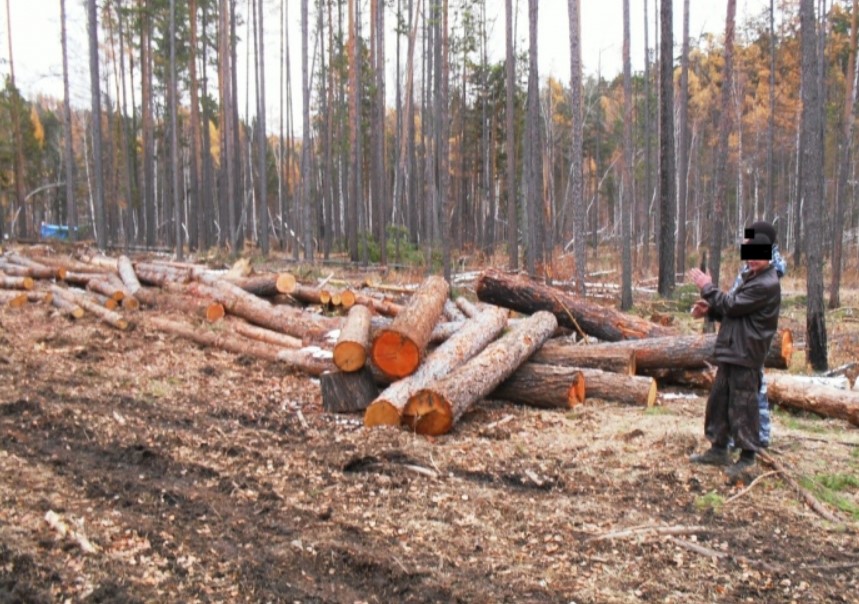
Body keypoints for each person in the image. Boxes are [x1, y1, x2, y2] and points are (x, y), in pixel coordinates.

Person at [686, 223, 782, 480]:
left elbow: (733, 304)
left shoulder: (767, 283)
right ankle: (718, 448)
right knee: (719, 400)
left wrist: (708, 286)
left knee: (744, 405)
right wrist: (711, 309)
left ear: (770, 253)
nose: (752, 258)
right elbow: (734, 310)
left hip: (746, 352)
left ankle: (748, 456)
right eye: (749, 252)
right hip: (732, 349)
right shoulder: (752, 276)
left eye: (758, 252)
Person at [726, 221, 787, 447]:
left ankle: (755, 436)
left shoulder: (768, 269)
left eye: (749, 239)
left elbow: (738, 301)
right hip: (742, 332)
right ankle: (756, 434)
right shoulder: (753, 264)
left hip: (752, 336)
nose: (745, 243)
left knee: (751, 388)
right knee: (750, 387)